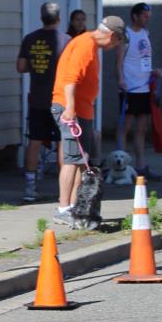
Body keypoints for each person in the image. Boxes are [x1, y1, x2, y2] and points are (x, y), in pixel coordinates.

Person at [50, 16, 126, 227]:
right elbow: (70, 79)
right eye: (118, 41)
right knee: (72, 159)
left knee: (81, 159)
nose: (116, 46)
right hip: (70, 109)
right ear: (112, 35)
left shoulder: (90, 45)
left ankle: (77, 208)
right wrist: (70, 109)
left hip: (82, 110)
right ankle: (63, 209)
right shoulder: (85, 45)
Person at [16, 2, 67, 203]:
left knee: (35, 141)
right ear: (59, 18)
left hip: (37, 98)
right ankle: (64, 189)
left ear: (41, 17)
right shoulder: (66, 40)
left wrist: (38, 65)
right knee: (63, 142)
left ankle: (30, 187)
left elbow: (21, 67)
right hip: (60, 99)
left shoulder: (30, 39)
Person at [116, 2, 162, 179]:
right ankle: (121, 167)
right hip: (130, 88)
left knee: (142, 128)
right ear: (135, 16)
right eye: (145, 16)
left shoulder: (145, 33)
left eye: (149, 17)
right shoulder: (126, 35)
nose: (147, 19)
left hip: (144, 87)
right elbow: (119, 62)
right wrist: (121, 80)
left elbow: (143, 60)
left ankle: (140, 167)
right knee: (125, 127)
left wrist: (154, 71)